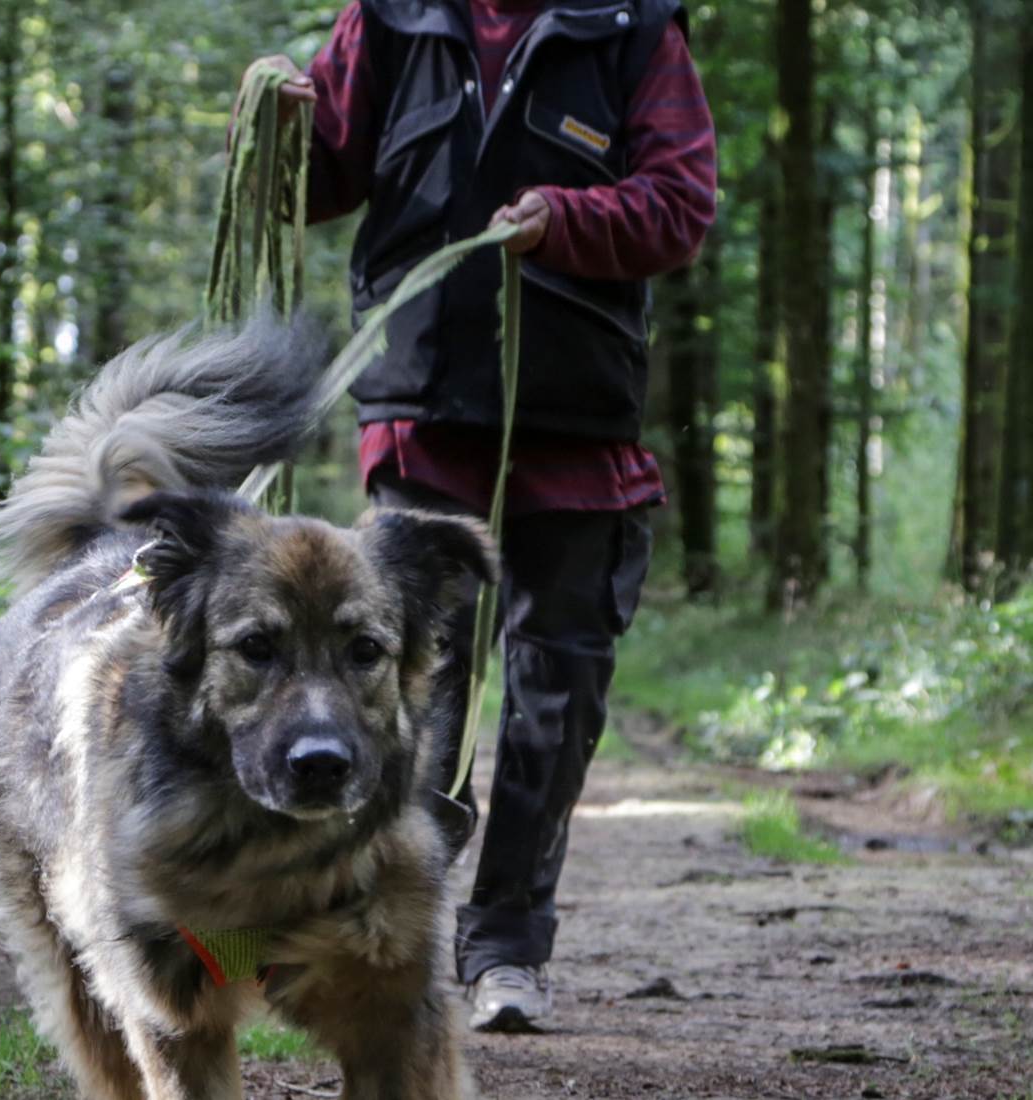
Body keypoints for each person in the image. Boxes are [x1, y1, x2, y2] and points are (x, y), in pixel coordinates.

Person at [247, 0, 716, 1032]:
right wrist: (281, 124)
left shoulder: (631, 31)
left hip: (580, 421)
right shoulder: (388, 17)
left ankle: (505, 944)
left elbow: (681, 206)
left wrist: (569, 219)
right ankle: (386, 931)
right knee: (409, 696)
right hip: (420, 417)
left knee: (556, 699)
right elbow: (320, 182)